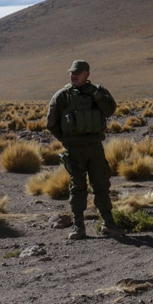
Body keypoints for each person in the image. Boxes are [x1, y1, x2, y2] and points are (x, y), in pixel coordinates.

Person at [46, 60, 125, 240]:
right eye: (72, 72)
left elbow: (110, 110)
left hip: (95, 147)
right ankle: (78, 227)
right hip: (75, 150)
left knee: (101, 185)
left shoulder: (98, 93)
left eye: (77, 72)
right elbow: (51, 123)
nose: (73, 75)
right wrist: (66, 140)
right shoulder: (62, 96)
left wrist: (96, 95)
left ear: (87, 74)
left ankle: (109, 224)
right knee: (78, 187)